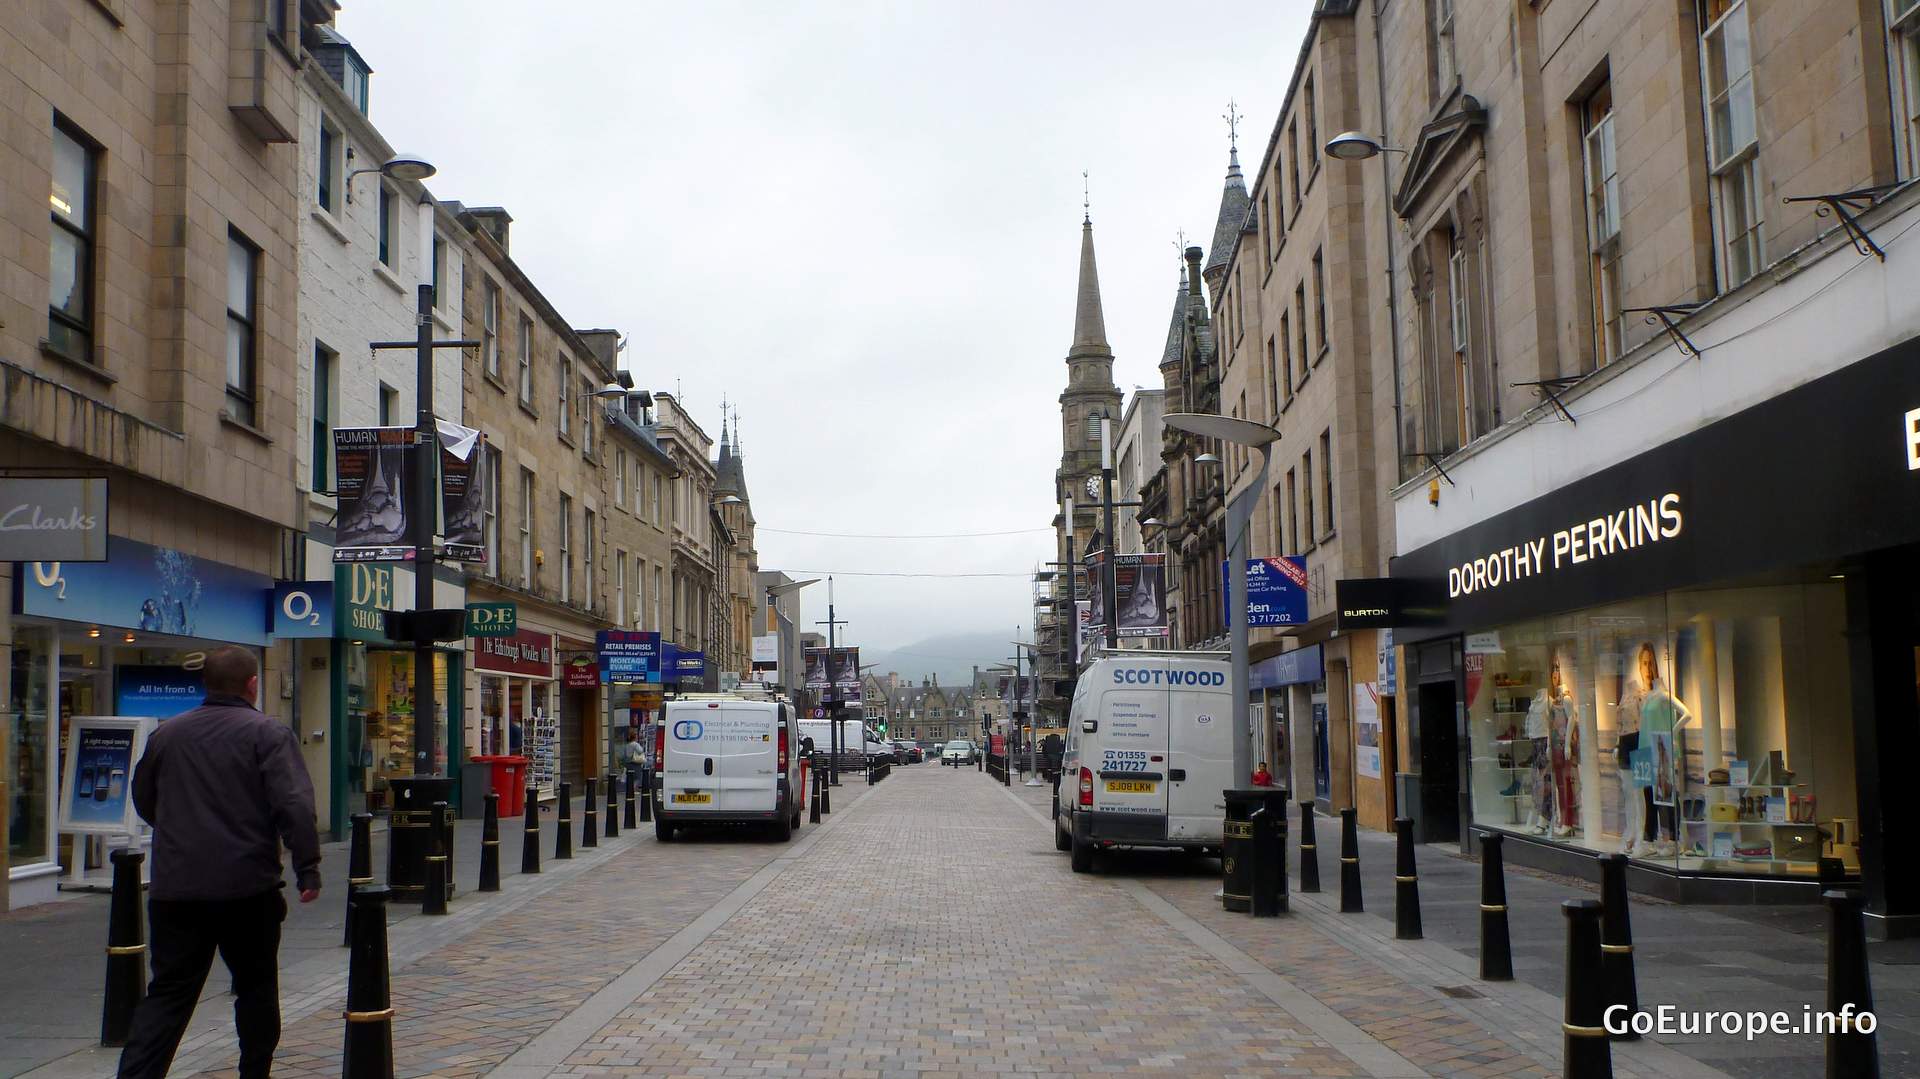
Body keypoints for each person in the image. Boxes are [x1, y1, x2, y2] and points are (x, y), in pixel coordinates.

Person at [117, 646, 320, 1079]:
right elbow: (295, 805)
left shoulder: (167, 735)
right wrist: (308, 867)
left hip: (177, 890)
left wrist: (181, 832)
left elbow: (144, 798)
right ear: (252, 685)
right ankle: (254, 1072)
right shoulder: (267, 734)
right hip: (247, 888)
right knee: (256, 987)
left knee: (168, 995)